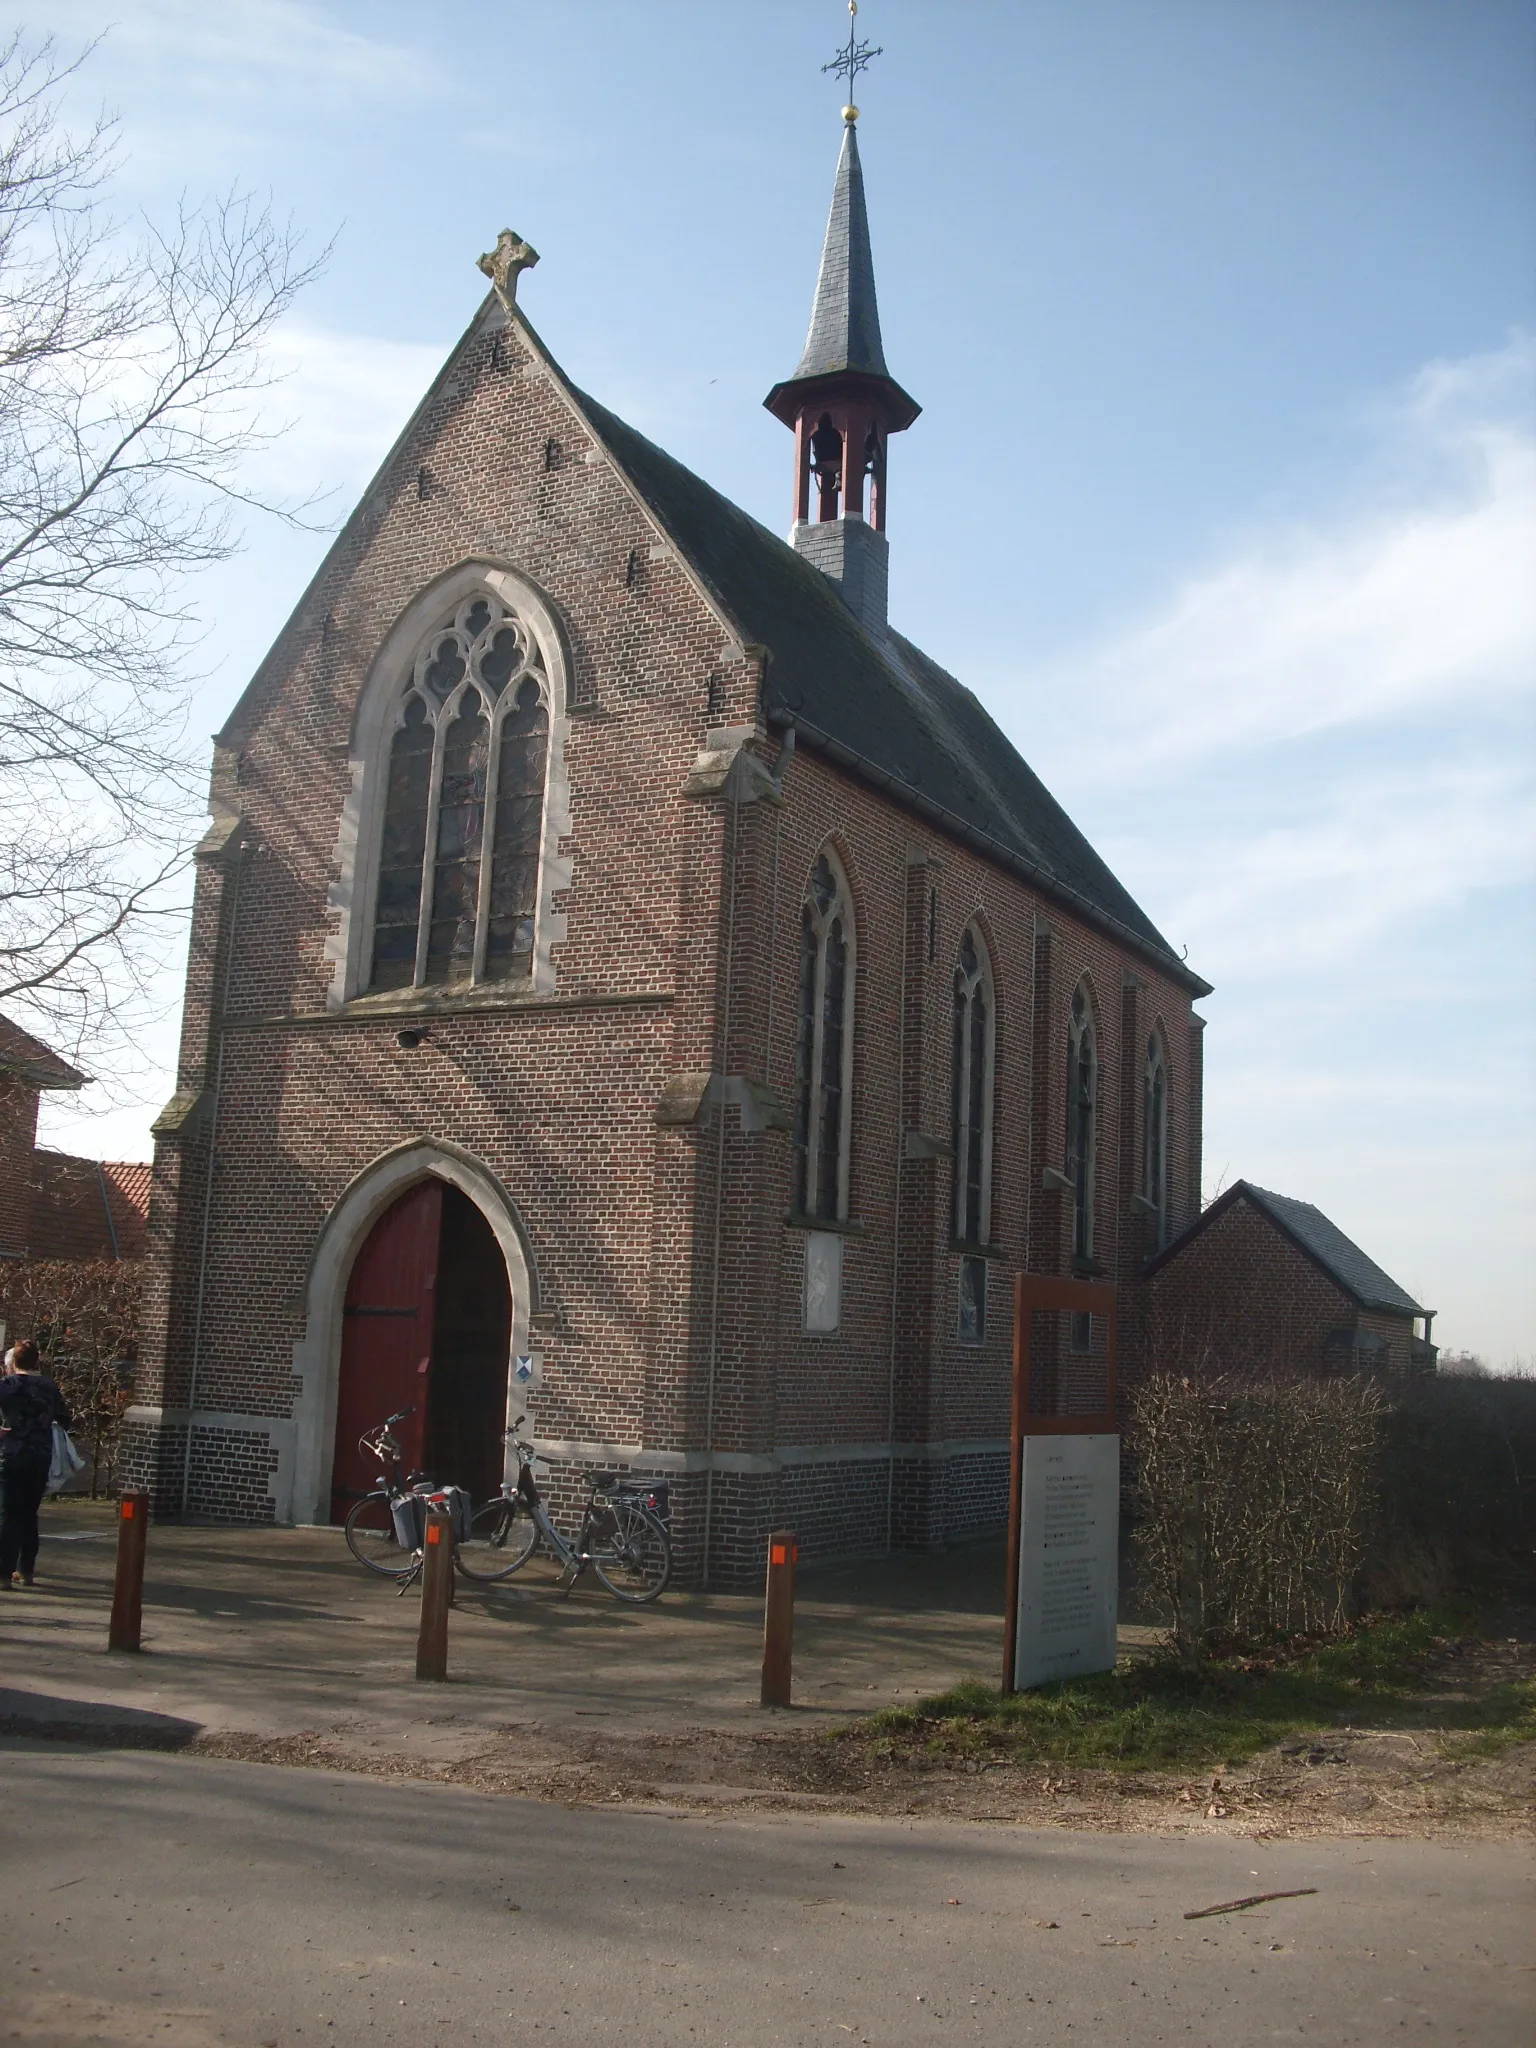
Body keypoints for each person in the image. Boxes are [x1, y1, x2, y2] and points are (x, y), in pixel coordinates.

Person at [0, 1338, 72, 1588]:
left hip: (13, 1454)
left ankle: (3, 1573)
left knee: (9, 1514)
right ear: (36, 1361)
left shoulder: (7, 1386)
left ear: (13, 1362)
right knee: (30, 1514)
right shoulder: (49, 1386)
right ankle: (26, 1570)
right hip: (41, 1456)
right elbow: (65, 1418)